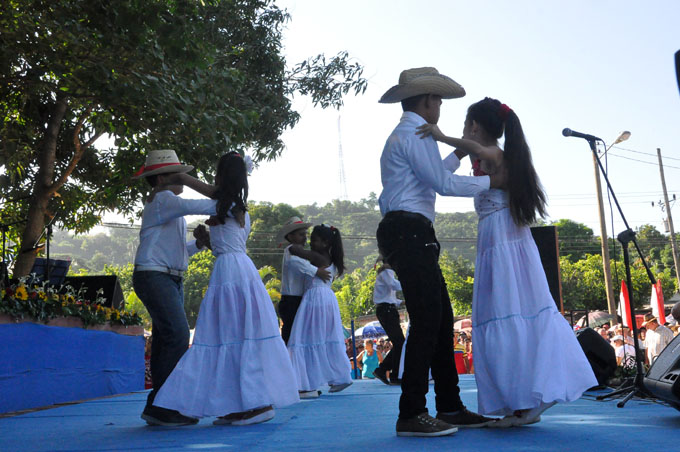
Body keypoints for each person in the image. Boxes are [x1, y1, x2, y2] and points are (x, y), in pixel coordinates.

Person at [417, 97, 598, 428]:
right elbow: (449, 169)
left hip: (504, 240)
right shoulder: (491, 155)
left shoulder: (498, 155)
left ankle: (526, 401)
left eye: (465, 126)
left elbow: (474, 154)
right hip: (495, 239)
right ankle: (518, 401)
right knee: (501, 315)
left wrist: (443, 137)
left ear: (473, 126)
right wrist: (454, 149)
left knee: (509, 312)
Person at [376, 67, 501, 437]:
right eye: (440, 101)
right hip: (409, 231)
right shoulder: (416, 134)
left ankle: (449, 405)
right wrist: (494, 181)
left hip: (410, 231)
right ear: (430, 100)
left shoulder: (412, 133)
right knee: (429, 320)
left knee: (441, 319)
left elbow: (432, 174)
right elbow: (443, 185)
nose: (441, 108)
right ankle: (412, 411)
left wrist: (459, 154)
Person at [153, 152, 299, 425]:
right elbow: (228, 244)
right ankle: (242, 402)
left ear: (225, 176)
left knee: (233, 336)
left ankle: (257, 404)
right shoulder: (231, 207)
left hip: (232, 274)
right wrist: (207, 240)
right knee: (232, 336)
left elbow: (209, 191)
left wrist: (178, 175)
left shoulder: (227, 202)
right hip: (236, 270)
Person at [132, 149, 218, 426]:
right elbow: (211, 205)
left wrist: (199, 245)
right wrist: (194, 182)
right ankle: (163, 404)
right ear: (161, 179)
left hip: (165, 275)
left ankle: (159, 404)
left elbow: (179, 254)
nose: (184, 178)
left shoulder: (166, 204)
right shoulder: (164, 198)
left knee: (166, 339)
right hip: (156, 276)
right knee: (178, 335)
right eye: (177, 173)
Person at [287, 224, 353, 395]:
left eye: (313, 239)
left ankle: (305, 382)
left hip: (315, 298)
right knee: (326, 338)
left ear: (325, 243)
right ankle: (340, 376)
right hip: (327, 299)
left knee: (305, 338)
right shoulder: (328, 258)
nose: (309, 242)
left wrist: (293, 239)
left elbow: (295, 250)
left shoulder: (318, 258)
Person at [277, 217, 331, 346]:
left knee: (298, 336)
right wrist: (317, 271)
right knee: (290, 336)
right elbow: (295, 264)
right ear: (290, 236)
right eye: (301, 235)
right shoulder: (290, 250)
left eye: (305, 234)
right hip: (291, 301)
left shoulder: (301, 253)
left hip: (298, 300)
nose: (305, 238)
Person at [372, 261, 405, 386]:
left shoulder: (386, 273)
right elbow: (394, 285)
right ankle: (392, 373)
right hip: (387, 310)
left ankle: (386, 370)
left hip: (387, 309)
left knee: (399, 343)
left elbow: (388, 295)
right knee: (399, 343)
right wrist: (412, 282)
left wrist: (400, 302)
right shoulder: (387, 271)